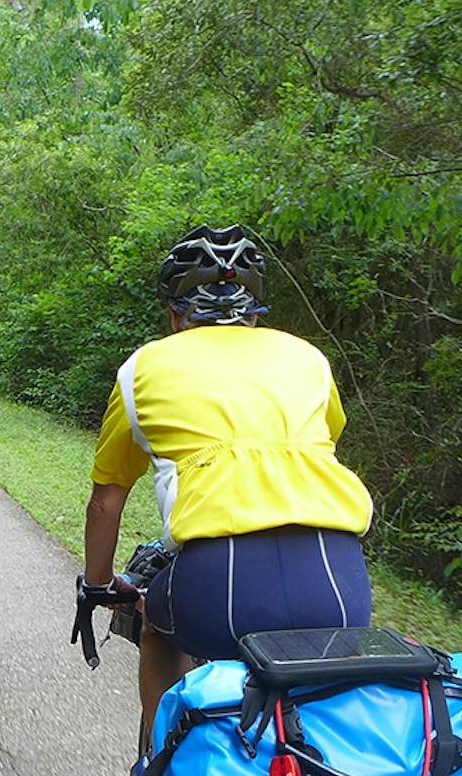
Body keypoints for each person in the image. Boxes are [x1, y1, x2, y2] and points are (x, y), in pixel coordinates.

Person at [81, 225, 375, 740]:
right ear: (256, 309)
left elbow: (107, 501)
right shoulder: (308, 357)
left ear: (175, 315)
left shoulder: (143, 367)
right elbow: (318, 445)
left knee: (157, 623)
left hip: (221, 583)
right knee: (314, 681)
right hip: (340, 580)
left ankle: (160, 767)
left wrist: (99, 585)